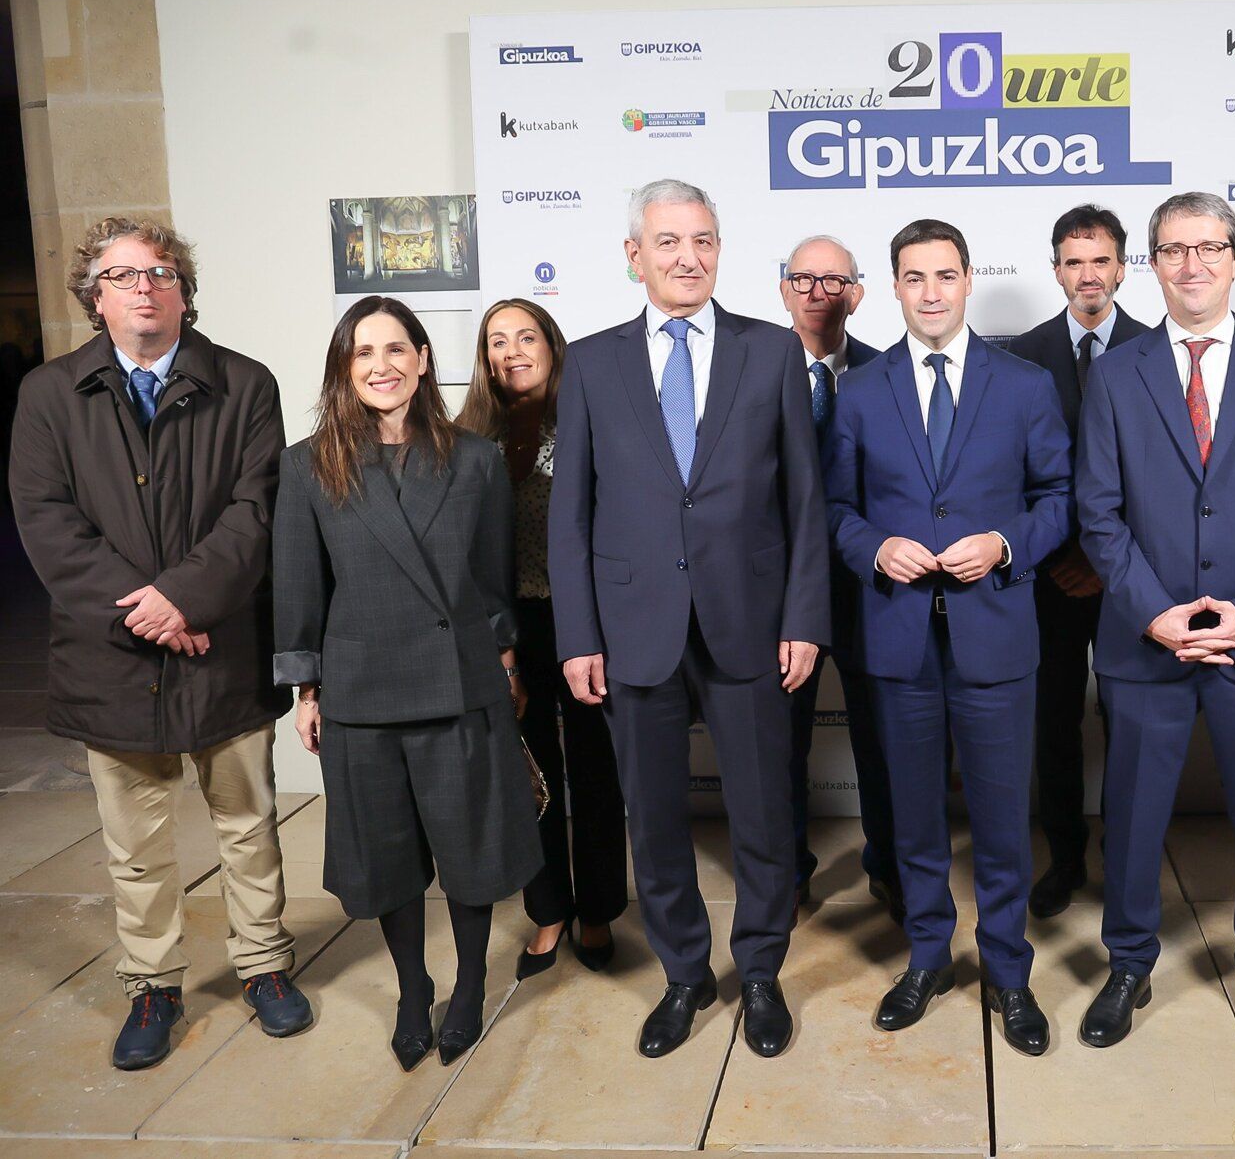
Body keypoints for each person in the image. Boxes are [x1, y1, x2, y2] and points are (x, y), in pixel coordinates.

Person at [9, 216, 312, 1071]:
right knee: (134, 848)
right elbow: (47, 521)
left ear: (184, 290)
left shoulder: (246, 384)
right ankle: (153, 984)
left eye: (162, 271)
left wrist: (182, 598)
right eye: (122, 274)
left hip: (222, 645)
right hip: (111, 657)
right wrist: (146, 611)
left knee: (249, 826)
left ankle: (264, 967)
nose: (145, 286)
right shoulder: (47, 394)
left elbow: (256, 512)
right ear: (93, 297)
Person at [549, 179, 830, 1060]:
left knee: (761, 815)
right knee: (656, 818)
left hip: (749, 618)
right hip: (634, 627)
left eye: (703, 241)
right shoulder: (591, 363)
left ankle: (759, 972)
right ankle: (682, 974)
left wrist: (804, 617)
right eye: (668, 242)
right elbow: (573, 517)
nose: (688, 258)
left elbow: (805, 501)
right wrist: (579, 637)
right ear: (634, 255)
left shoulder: (771, 351)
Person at [1075, 191, 1235, 1053]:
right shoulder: (1115, 373)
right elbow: (1097, 513)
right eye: (1173, 250)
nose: (1192, 265)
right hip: (1145, 640)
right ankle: (1127, 964)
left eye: (1208, 248)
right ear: (1152, 263)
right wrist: (1154, 615)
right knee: (1134, 814)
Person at [822, 218, 1072, 1055]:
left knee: (1002, 819)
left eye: (944, 275)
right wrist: (872, 548)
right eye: (913, 277)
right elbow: (833, 509)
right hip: (895, 637)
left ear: (968, 281)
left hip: (995, 635)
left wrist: (1005, 545)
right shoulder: (858, 392)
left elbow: (1057, 499)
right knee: (913, 818)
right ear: (892, 287)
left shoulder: (1025, 384)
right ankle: (927, 954)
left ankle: (1006, 968)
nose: (930, 292)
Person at [273, 296, 540, 1072]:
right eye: (363, 353)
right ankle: (414, 987)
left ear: (424, 360)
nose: (381, 366)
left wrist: (507, 666)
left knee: (471, 848)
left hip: (459, 685)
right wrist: (307, 691)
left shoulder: (476, 460)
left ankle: (464, 992)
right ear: (343, 370)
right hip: (360, 692)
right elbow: (299, 590)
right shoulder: (306, 464)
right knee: (384, 855)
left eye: (397, 349)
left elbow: (493, 588)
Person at [458, 299, 630, 979]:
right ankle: (549, 911)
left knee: (594, 772)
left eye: (525, 336)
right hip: (507, 627)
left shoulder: (587, 425)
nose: (512, 350)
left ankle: (597, 911)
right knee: (528, 780)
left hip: (586, 621)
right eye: (497, 341)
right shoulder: (469, 440)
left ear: (553, 347)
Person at [1007, 205, 1150, 918]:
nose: (1087, 274)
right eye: (1073, 260)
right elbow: (1013, 476)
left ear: (1122, 267)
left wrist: (1105, 562)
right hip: (1048, 579)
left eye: (1100, 260)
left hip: (1132, 579)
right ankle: (1063, 858)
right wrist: (1061, 557)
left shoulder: (1158, 351)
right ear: (1056, 269)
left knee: (1130, 722)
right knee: (1053, 722)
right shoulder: (1021, 356)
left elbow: (1163, 480)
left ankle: (1125, 858)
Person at [778, 235, 903, 924]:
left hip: (868, 587)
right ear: (783, 289)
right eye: (804, 280)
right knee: (781, 742)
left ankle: (887, 865)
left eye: (834, 281)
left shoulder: (888, 375)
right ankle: (789, 871)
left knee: (881, 738)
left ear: (857, 293)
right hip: (781, 590)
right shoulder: (752, 371)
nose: (818, 294)